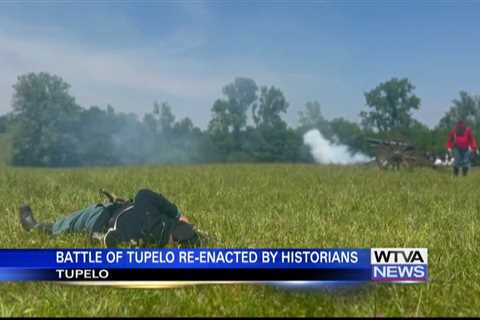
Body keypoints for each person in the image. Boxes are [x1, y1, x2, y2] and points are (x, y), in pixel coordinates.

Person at [19, 189, 201, 248]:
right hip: (110, 212)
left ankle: (36, 228)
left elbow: (144, 193)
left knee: (65, 225)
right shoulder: (151, 234)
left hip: (101, 218)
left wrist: (178, 214)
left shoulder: (144, 232)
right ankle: (37, 228)